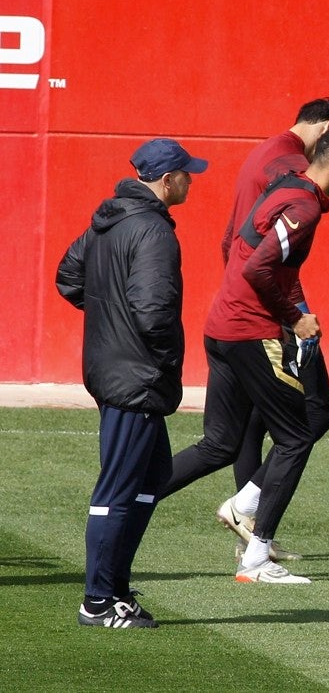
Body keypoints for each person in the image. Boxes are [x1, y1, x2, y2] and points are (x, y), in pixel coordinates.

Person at [159, 126, 329, 584]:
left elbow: (236, 244)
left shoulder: (285, 186)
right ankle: (256, 554)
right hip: (250, 331)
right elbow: (258, 267)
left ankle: (132, 498)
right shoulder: (304, 203)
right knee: (298, 435)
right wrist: (294, 317)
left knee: (220, 443)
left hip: (221, 325)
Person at [56, 138, 208, 627]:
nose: (191, 180)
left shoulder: (110, 220)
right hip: (136, 377)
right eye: (187, 174)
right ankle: (98, 601)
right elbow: (152, 310)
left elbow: (69, 277)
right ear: (167, 181)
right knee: (118, 489)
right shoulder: (153, 231)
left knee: (151, 478)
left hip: (119, 371)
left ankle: (116, 587)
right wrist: (159, 356)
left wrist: (110, 319)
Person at [214, 98, 329, 563]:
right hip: (264, 306)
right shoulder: (291, 167)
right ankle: (247, 516)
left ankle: (248, 522)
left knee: (255, 422)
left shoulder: (266, 153)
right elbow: (262, 254)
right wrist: (293, 315)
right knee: (311, 415)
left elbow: (236, 238)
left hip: (246, 304)